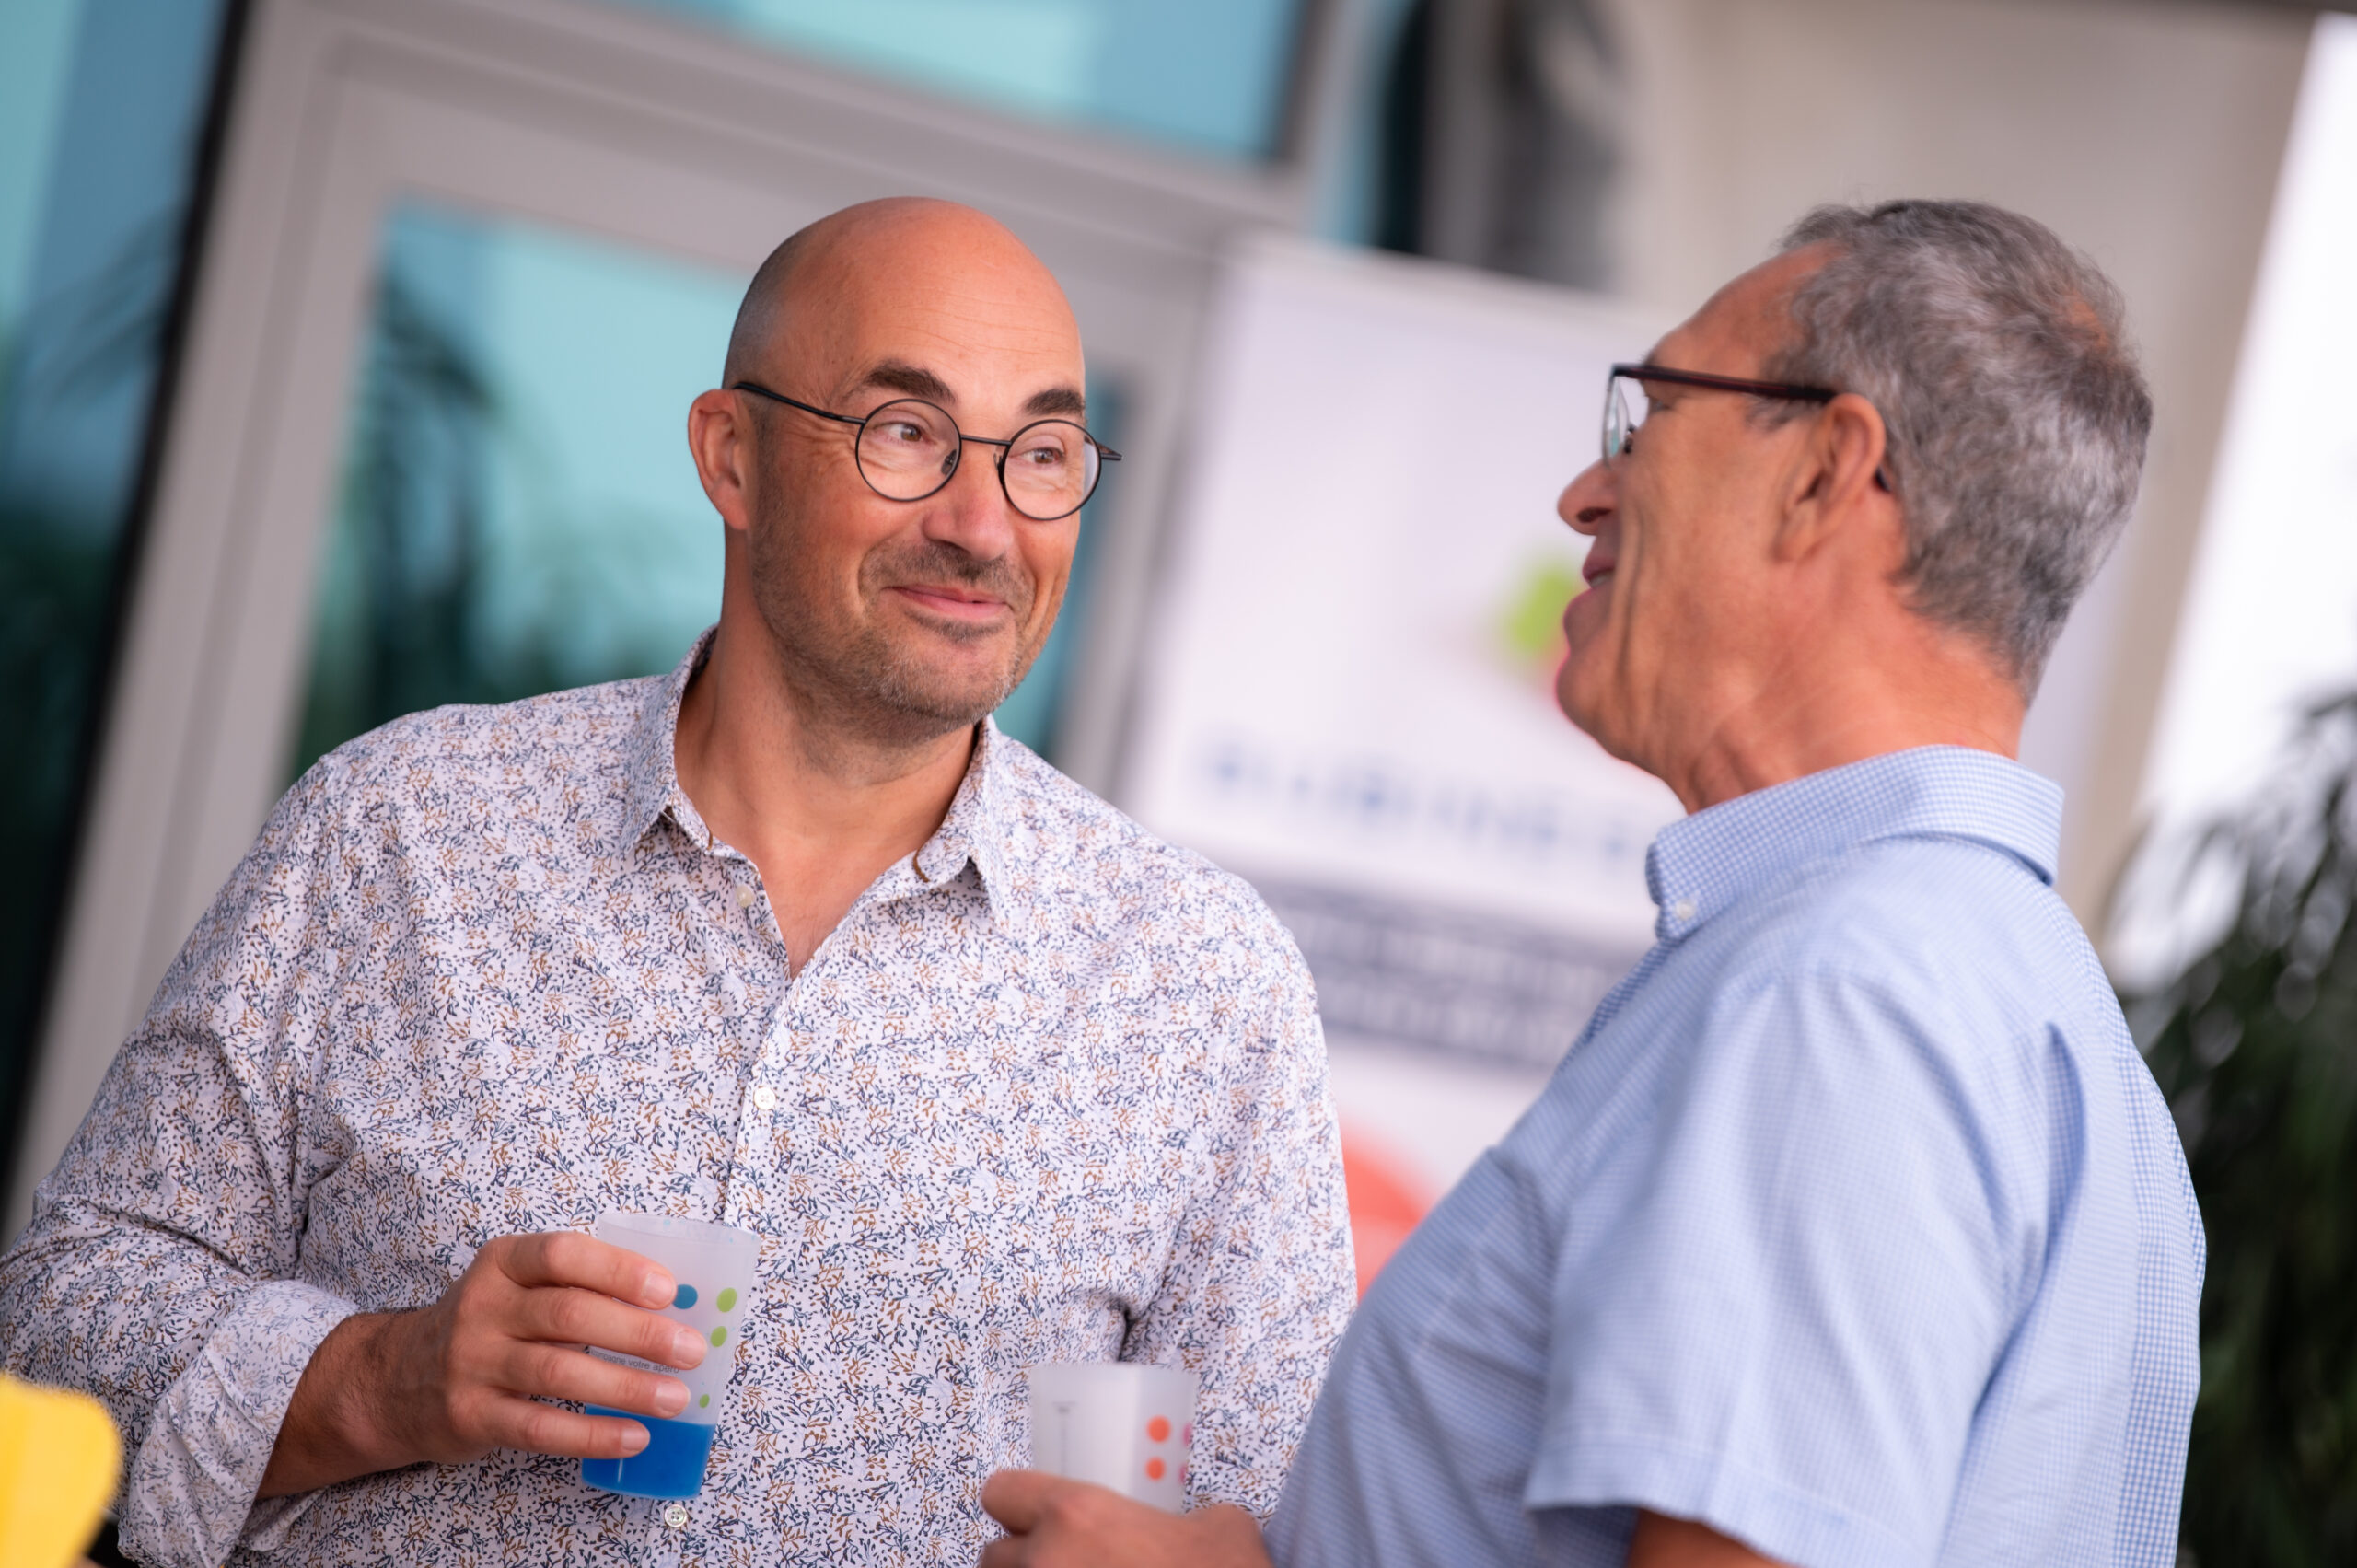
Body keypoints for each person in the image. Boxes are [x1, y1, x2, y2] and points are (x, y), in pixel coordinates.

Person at [0, 198, 1353, 1567]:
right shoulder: (399, 830)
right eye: (906, 433)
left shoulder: (1204, 986)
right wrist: (386, 1380)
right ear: (731, 456)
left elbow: (1302, 1522)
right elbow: (60, 1321)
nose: (984, 525)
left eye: (1043, 454)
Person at [981, 199, 2205, 1568]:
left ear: (1824, 473)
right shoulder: (2049, 1031)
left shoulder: (1843, 994)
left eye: (1653, 415)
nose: (1585, 491)